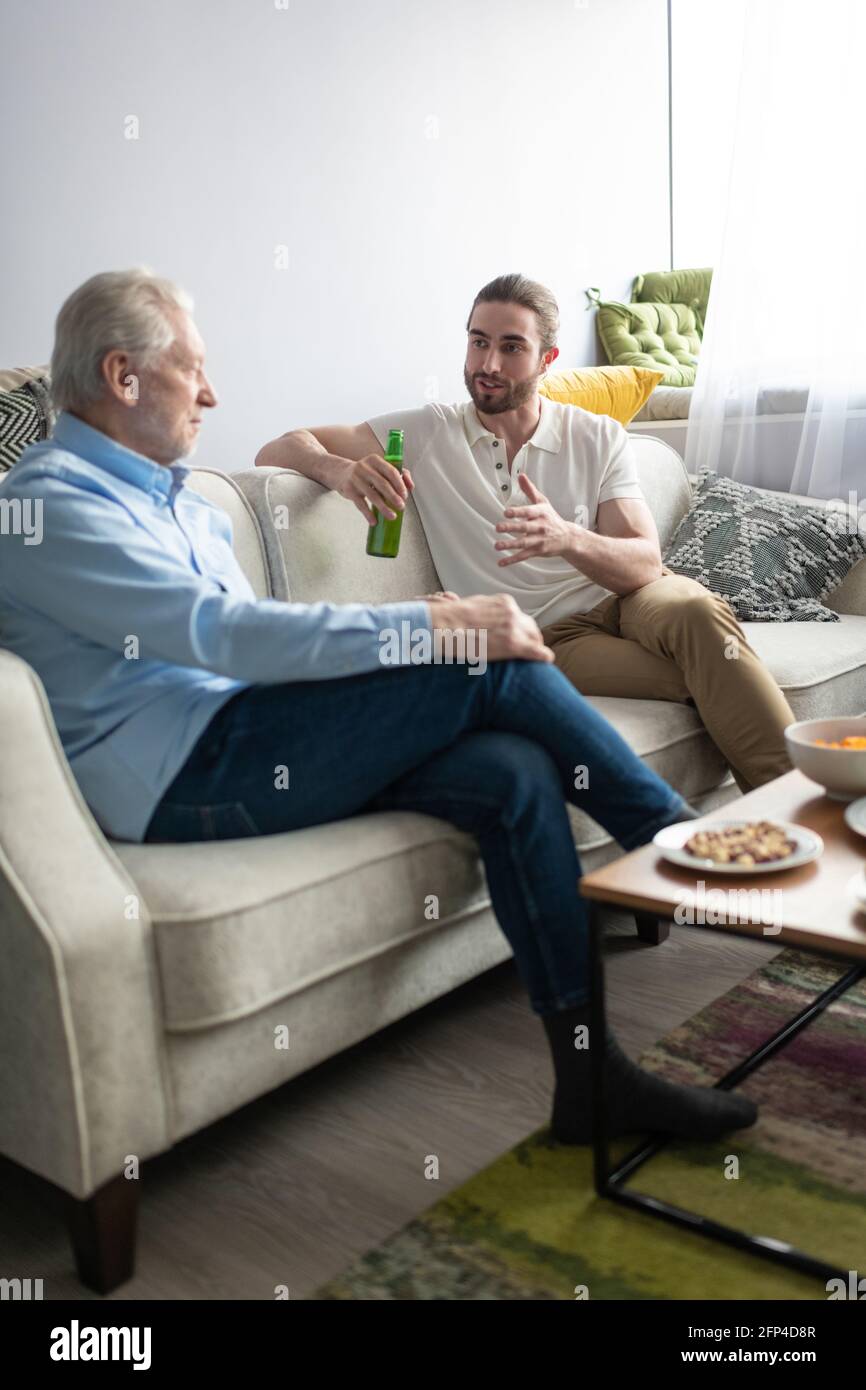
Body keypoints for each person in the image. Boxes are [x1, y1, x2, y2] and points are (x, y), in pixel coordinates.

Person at [0, 267, 757, 1145]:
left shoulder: (177, 503)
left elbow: (256, 641)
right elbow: (224, 635)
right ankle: (688, 856)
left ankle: (591, 1081)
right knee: (484, 661)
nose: (211, 394)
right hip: (181, 778)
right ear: (124, 378)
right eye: (192, 370)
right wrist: (432, 623)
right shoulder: (46, 511)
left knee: (512, 773)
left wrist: (411, 635)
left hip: (248, 731)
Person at [256, 272, 796, 793]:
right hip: (554, 636)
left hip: (634, 599)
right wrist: (340, 471)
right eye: (478, 342)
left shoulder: (596, 435)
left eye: (511, 347)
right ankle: (794, 815)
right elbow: (279, 446)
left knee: (698, 614)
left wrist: (568, 538)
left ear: (547, 360)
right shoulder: (427, 431)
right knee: (702, 678)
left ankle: (803, 813)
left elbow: (644, 566)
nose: (488, 364)